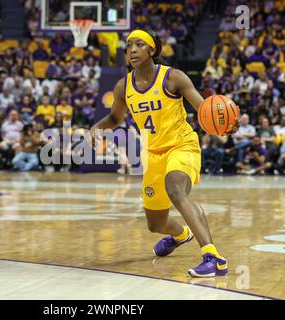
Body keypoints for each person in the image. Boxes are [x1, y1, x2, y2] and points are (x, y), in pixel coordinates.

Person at [90, 29, 239, 277]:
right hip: (152, 154)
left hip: (181, 145)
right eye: (129, 46)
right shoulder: (122, 86)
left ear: (152, 50)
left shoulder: (173, 78)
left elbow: (205, 109)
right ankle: (181, 235)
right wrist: (96, 128)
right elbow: (115, 118)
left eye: (139, 45)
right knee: (155, 224)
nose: (133, 49)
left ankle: (214, 258)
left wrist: (225, 121)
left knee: (176, 189)